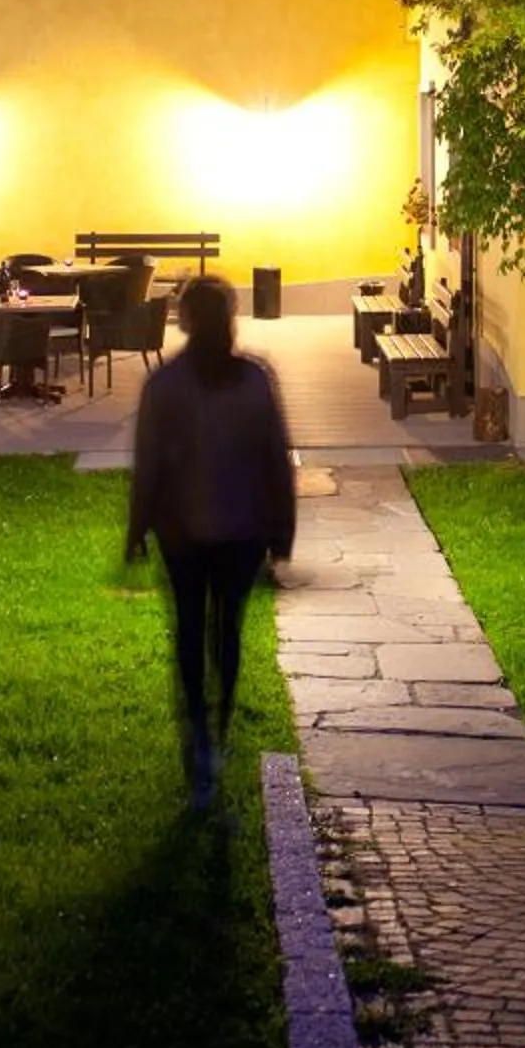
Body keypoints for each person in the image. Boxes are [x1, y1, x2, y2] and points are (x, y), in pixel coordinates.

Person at [124, 275, 295, 808]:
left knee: (190, 635)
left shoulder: (166, 385)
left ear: (185, 320)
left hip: (182, 532)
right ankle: (218, 731)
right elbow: (276, 458)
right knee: (228, 632)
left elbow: (147, 466)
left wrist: (136, 531)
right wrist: (281, 530)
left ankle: (199, 739)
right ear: (231, 318)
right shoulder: (253, 381)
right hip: (243, 530)